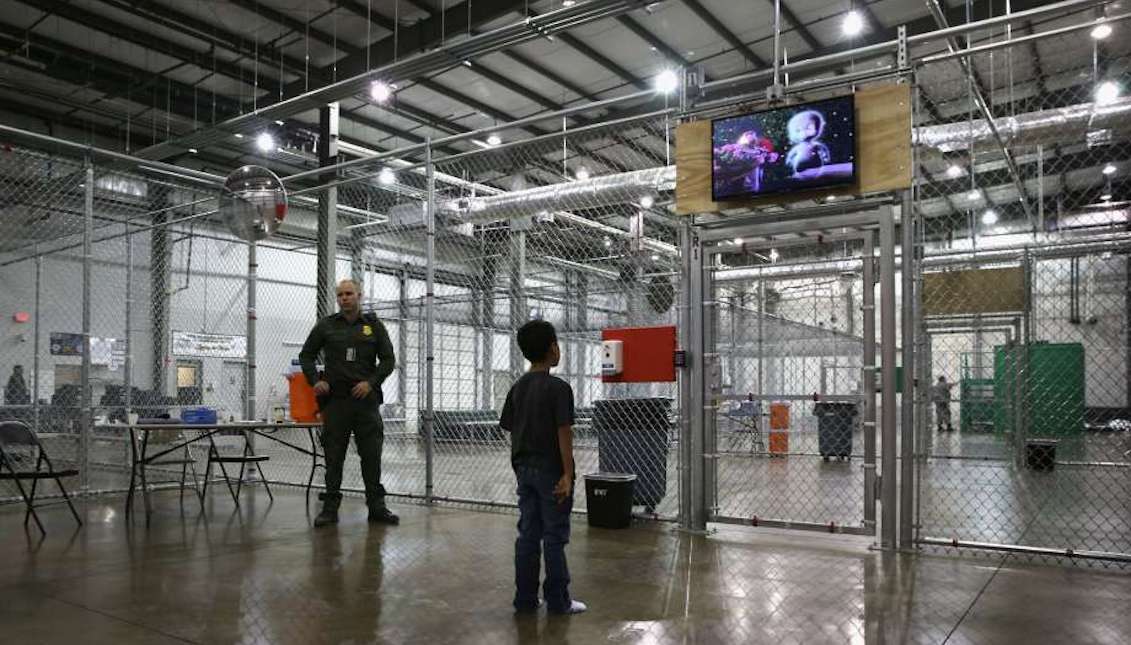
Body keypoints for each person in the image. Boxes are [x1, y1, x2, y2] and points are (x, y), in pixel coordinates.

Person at [500, 320, 586, 615]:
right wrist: (567, 474)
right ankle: (558, 601)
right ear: (552, 348)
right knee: (554, 536)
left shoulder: (518, 387)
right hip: (552, 470)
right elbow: (564, 432)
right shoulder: (558, 388)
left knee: (528, 533)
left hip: (524, 468)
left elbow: (511, 427)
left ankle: (524, 599)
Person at [299, 279, 399, 527]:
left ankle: (377, 508)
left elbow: (388, 360)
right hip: (336, 402)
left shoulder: (374, 326)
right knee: (334, 457)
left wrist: (371, 383)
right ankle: (330, 510)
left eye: (349, 294)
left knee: (371, 455)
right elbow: (306, 355)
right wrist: (315, 381)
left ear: (359, 296)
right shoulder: (326, 326)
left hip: (365, 401)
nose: (344, 298)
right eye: (341, 294)